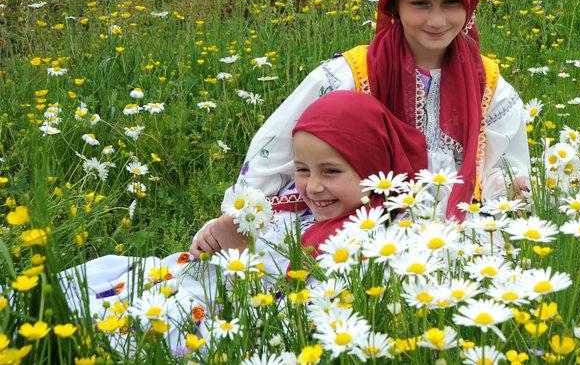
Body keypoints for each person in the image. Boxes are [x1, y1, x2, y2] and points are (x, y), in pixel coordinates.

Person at [190, 0, 530, 258]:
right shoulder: (350, 75)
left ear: (470, 4)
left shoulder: (490, 87)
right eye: (420, 3)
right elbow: (276, 150)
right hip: (354, 216)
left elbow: (504, 169)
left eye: (452, 3)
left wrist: (512, 195)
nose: (437, 20)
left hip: (453, 221)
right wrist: (242, 216)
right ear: (393, 3)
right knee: (306, 264)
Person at [58, 91, 427, 355]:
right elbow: (246, 237)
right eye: (302, 170)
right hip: (202, 282)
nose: (313, 186)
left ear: (373, 169)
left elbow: (299, 305)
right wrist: (216, 235)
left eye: (331, 171)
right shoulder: (292, 204)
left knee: (142, 328)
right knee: (101, 296)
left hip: (236, 316)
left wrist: (243, 256)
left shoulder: (373, 239)